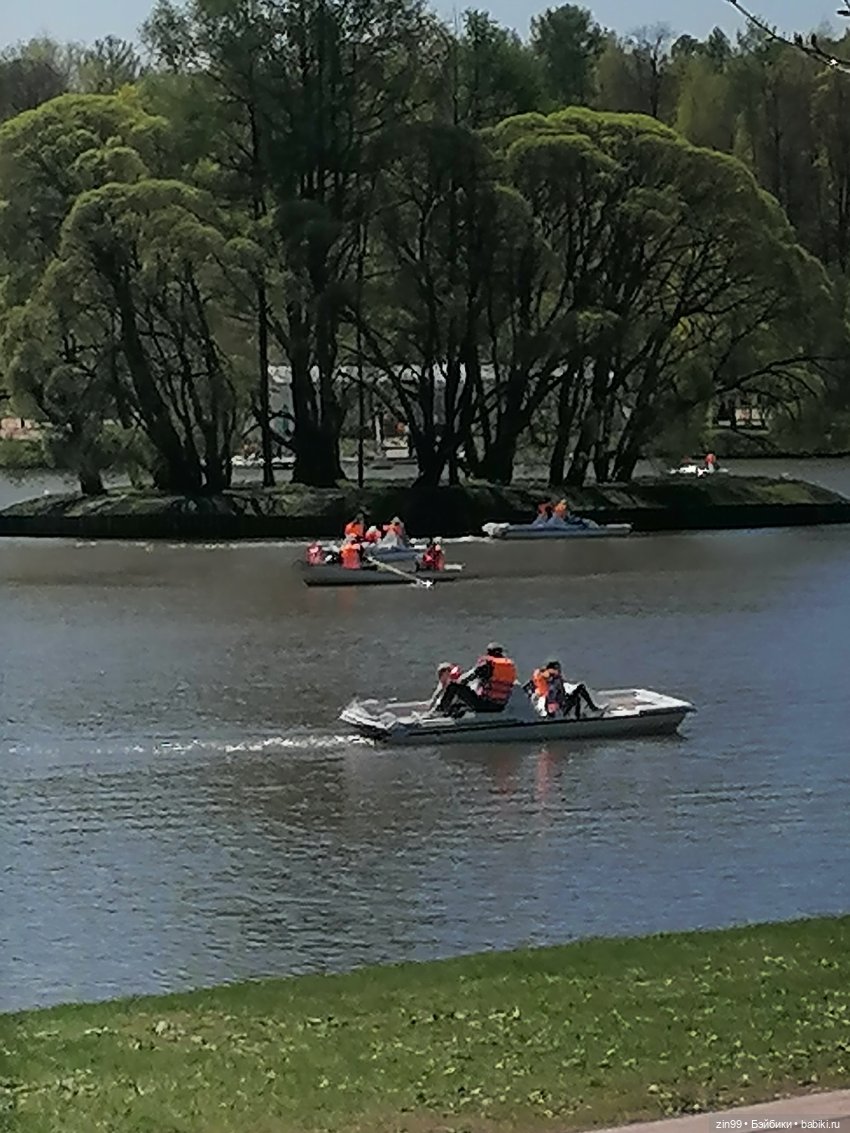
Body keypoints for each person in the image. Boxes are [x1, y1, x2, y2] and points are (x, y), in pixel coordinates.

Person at [436, 643, 518, 716]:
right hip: (500, 706)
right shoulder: (509, 666)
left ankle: (440, 711)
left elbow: (465, 680)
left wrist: (456, 679)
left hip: (484, 705)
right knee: (459, 704)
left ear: (489, 653)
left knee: (453, 686)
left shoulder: (487, 665)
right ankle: (453, 710)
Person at [525, 660, 602, 719]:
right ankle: (584, 714)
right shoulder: (545, 679)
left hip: (559, 705)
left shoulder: (555, 679)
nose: (559, 671)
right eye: (557, 669)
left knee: (579, 692)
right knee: (579, 692)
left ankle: (581, 714)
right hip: (555, 709)